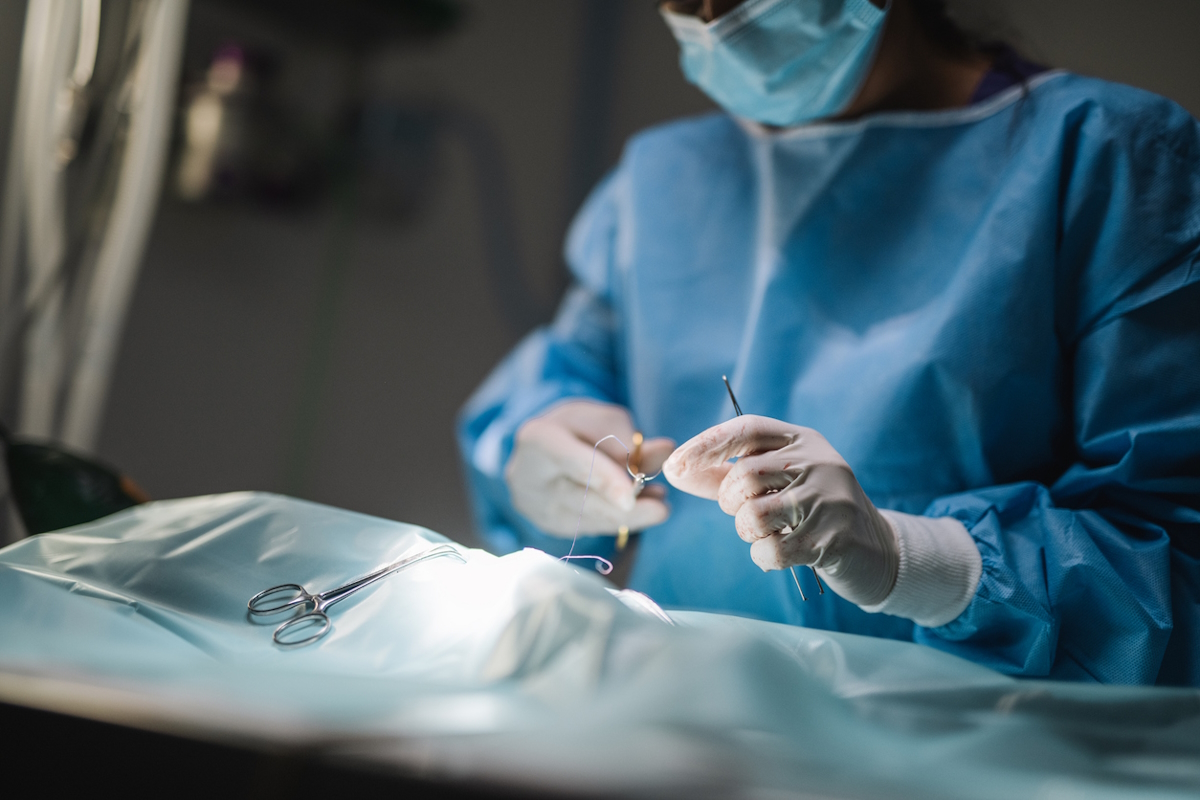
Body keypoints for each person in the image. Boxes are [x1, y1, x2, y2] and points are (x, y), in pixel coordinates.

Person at [457, 0, 1200, 686]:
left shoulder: (1109, 161)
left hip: (976, 758)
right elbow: (564, 383)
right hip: (671, 717)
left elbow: (1173, 565)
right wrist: (545, 447)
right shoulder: (662, 179)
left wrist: (916, 562)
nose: (718, 20)